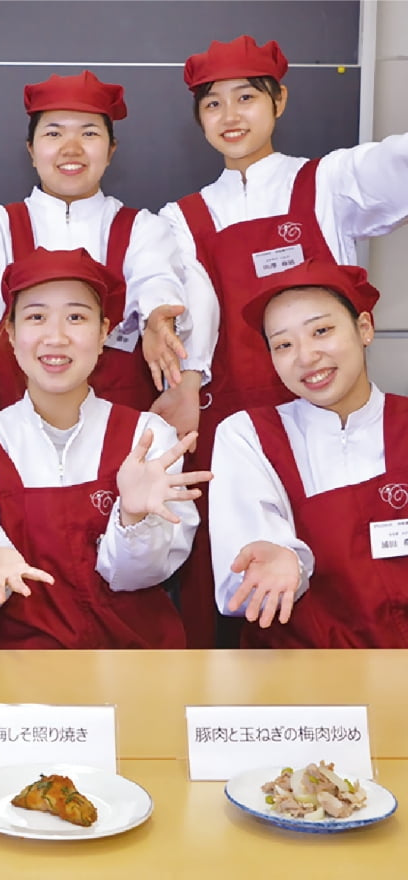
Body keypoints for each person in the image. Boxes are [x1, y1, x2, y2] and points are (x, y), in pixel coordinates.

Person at [159, 35, 408, 646]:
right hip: (230, 422)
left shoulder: (327, 181)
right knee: (234, 571)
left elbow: (399, 164)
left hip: (331, 403)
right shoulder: (180, 217)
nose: (230, 116)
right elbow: (190, 310)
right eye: (213, 104)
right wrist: (179, 374)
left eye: (246, 97)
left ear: (280, 101)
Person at [0, 248, 210, 649]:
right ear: (11, 334)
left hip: (133, 664)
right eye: (36, 317)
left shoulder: (149, 437)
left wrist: (133, 518)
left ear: (103, 333)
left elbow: (143, 576)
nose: (56, 337)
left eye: (76, 317)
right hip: (8, 671)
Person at [0, 70, 208, 438]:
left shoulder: (143, 229)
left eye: (89, 133)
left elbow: (156, 278)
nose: (71, 149)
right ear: (31, 150)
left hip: (121, 442)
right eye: (54, 134)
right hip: (11, 439)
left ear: (111, 150)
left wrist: (156, 318)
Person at [211, 259, 408, 648]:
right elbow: (242, 590)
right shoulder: (248, 436)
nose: (305, 356)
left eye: (321, 331)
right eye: (283, 345)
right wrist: (282, 562)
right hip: (305, 671)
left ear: (364, 328)